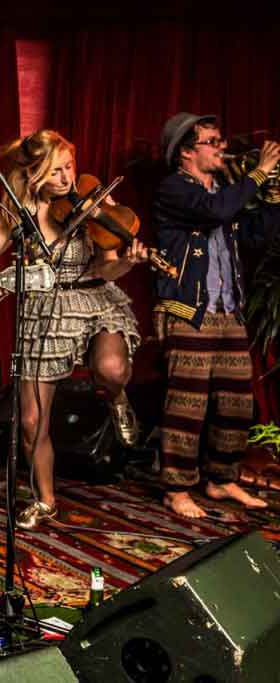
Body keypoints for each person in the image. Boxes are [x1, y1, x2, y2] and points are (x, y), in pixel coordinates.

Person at [0, 129, 147, 530]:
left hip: (93, 298)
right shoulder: (18, 211)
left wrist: (127, 262)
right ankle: (45, 500)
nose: (68, 179)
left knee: (111, 369)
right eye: (56, 171)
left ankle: (117, 397)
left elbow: (107, 267)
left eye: (70, 167)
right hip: (44, 310)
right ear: (34, 173)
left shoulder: (92, 203)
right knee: (32, 421)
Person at [153, 113, 280, 518]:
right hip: (189, 310)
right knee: (186, 405)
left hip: (228, 309)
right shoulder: (175, 188)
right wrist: (259, 173)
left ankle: (222, 479)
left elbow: (255, 238)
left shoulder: (225, 192)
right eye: (212, 141)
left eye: (220, 140)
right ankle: (176, 488)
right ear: (186, 152)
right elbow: (216, 212)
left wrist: (273, 198)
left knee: (236, 403)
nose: (222, 147)